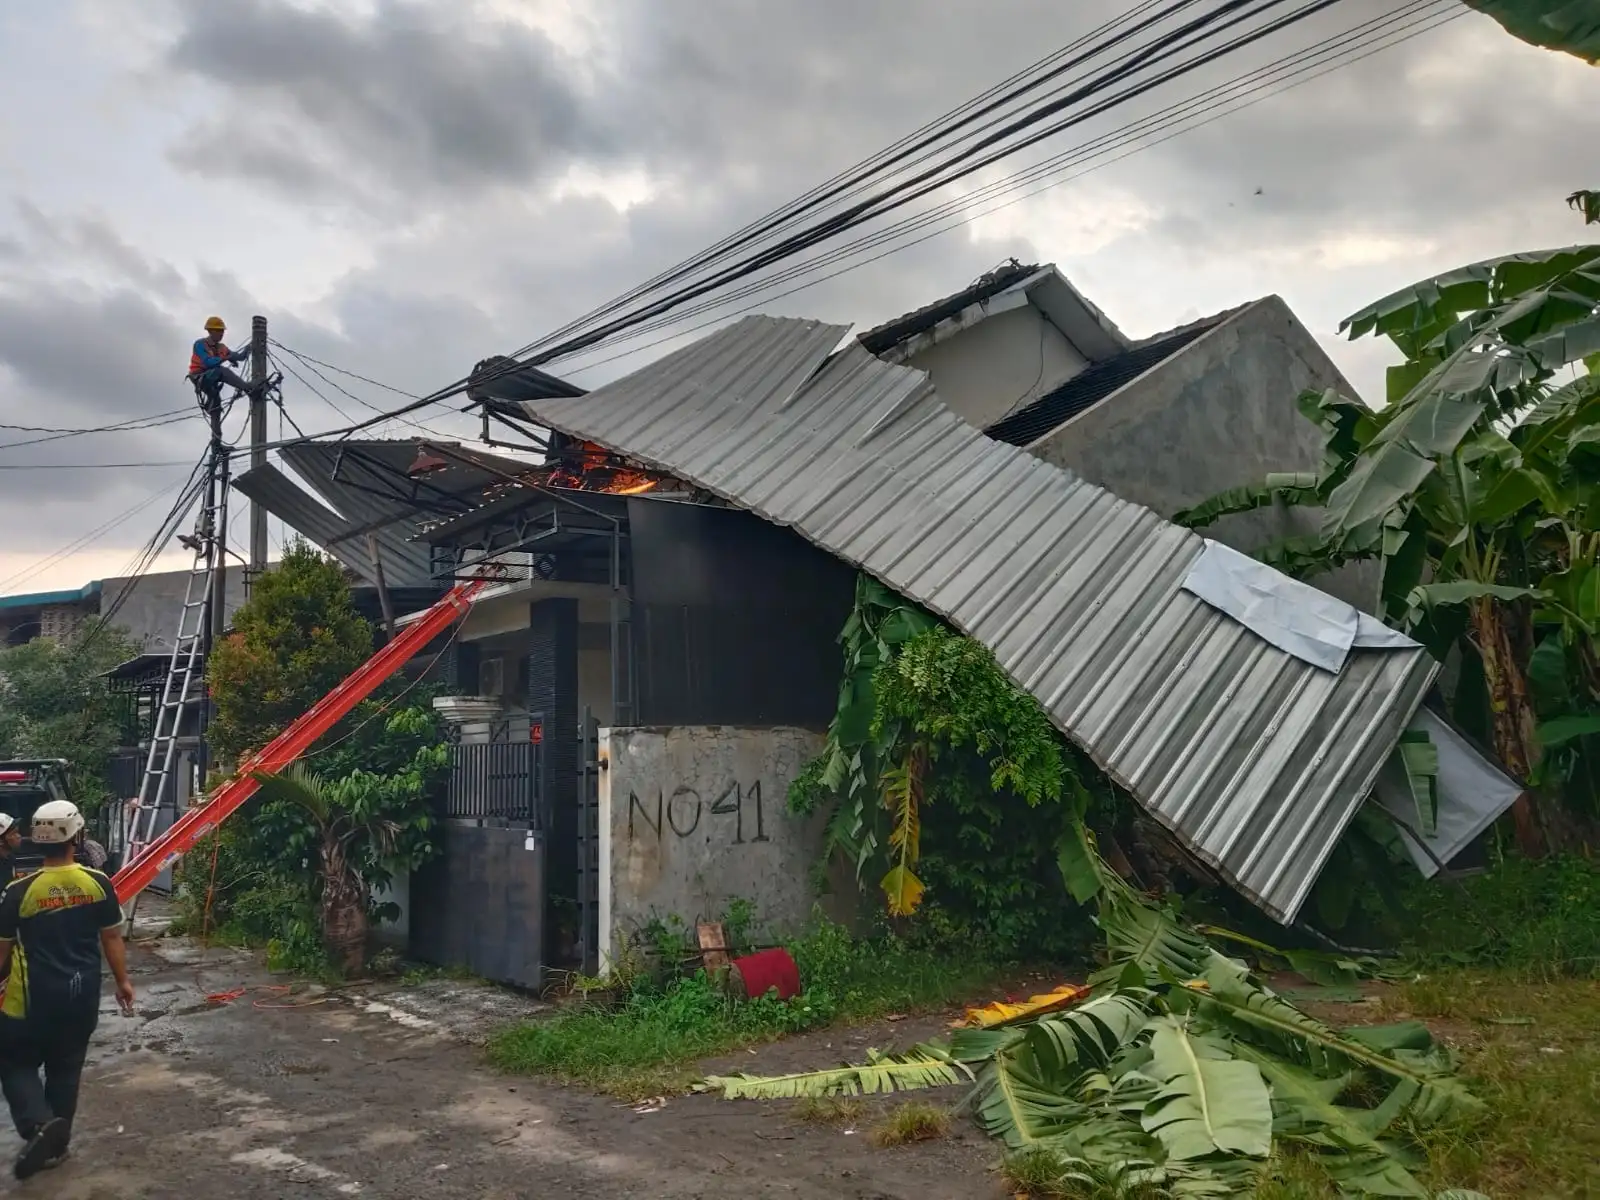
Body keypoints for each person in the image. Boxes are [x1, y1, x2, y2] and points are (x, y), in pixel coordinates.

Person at [0, 800, 134, 1180]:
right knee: (66, 1069)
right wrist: (123, 982)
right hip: (81, 996)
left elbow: (2, 950)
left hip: (28, 1001)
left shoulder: (17, 891)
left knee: (15, 1061)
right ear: (77, 835)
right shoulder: (98, 883)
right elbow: (112, 938)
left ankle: (39, 1124)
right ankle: (56, 1147)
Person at [188, 316, 264, 406]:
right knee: (222, 371)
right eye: (218, 331)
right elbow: (208, 362)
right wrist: (225, 358)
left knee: (216, 405)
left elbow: (239, 357)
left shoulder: (222, 347)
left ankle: (214, 411)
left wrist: (249, 348)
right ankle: (249, 389)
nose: (221, 334)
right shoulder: (200, 344)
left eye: (222, 331)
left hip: (211, 377)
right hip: (199, 377)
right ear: (210, 331)